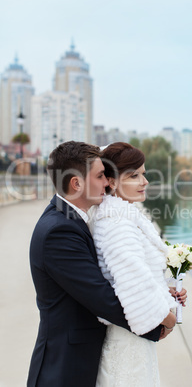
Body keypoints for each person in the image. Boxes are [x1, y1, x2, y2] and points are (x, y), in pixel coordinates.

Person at [27, 141, 175, 387]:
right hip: (64, 366)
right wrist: (161, 321)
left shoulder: (75, 219)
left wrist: (164, 294)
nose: (107, 182)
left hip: (81, 356)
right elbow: (102, 296)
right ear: (76, 183)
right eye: (100, 176)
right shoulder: (59, 230)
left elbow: (111, 278)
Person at [88, 142, 186, 387]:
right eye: (134, 175)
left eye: (143, 173)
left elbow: (137, 273)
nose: (144, 181)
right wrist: (169, 319)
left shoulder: (126, 216)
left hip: (134, 339)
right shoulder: (116, 223)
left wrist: (167, 292)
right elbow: (133, 285)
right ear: (110, 181)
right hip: (127, 343)